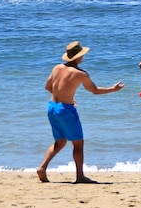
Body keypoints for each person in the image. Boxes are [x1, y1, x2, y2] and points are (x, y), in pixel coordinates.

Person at [37, 41, 124, 184]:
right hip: (66, 110)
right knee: (78, 144)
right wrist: (113, 89)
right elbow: (94, 91)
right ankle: (80, 176)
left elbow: (48, 86)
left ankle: (42, 167)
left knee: (59, 142)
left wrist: (64, 97)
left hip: (52, 107)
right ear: (78, 57)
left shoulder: (57, 68)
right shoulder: (80, 74)